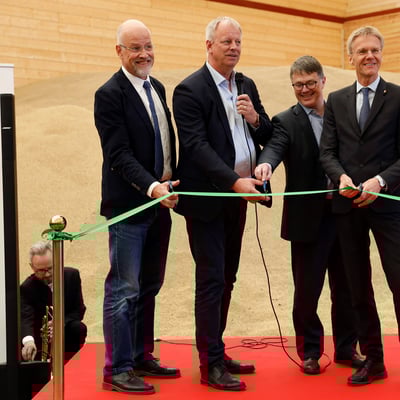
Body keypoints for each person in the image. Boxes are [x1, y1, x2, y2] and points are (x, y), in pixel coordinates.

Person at [172, 16, 273, 391]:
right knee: (211, 279)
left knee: (227, 277)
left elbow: (267, 132)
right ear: (209, 45)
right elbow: (196, 147)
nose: (233, 47)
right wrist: (233, 181)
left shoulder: (246, 84)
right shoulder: (189, 90)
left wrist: (255, 117)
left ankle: (217, 349)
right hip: (209, 200)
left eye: (238, 42)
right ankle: (210, 364)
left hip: (239, 198)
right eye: (226, 41)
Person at [254, 55, 363, 375]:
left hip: (344, 214)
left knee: (348, 287)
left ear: (323, 81)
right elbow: (274, 147)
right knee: (306, 291)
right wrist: (266, 164)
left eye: (310, 83)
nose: (304, 89)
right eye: (298, 84)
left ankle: (347, 348)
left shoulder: (343, 113)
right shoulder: (285, 121)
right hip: (307, 220)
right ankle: (311, 352)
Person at [94, 19, 180, 395]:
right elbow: (118, 155)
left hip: (160, 205)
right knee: (124, 289)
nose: (144, 54)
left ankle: (141, 355)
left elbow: (164, 142)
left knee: (149, 286)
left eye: (148, 46)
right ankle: (117, 368)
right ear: (119, 51)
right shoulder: (109, 94)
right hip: (129, 207)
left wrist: (170, 183)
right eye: (135, 48)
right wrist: (152, 186)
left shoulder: (156, 87)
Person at [320, 26, 400, 386]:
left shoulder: (398, 97)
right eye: (362, 51)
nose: (369, 56)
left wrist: (380, 182)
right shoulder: (336, 100)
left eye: (375, 50)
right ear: (350, 57)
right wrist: (340, 177)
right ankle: (374, 359)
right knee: (357, 286)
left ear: (381, 54)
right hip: (348, 207)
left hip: (389, 207)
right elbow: (327, 152)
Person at [20, 240, 87, 363]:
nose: (47, 274)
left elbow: (79, 310)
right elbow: (26, 318)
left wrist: (60, 323)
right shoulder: (26, 287)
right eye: (41, 270)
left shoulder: (72, 276)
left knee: (79, 328)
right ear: (32, 267)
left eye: (50, 268)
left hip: (64, 330)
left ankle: (64, 364)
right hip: (40, 337)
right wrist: (28, 341)